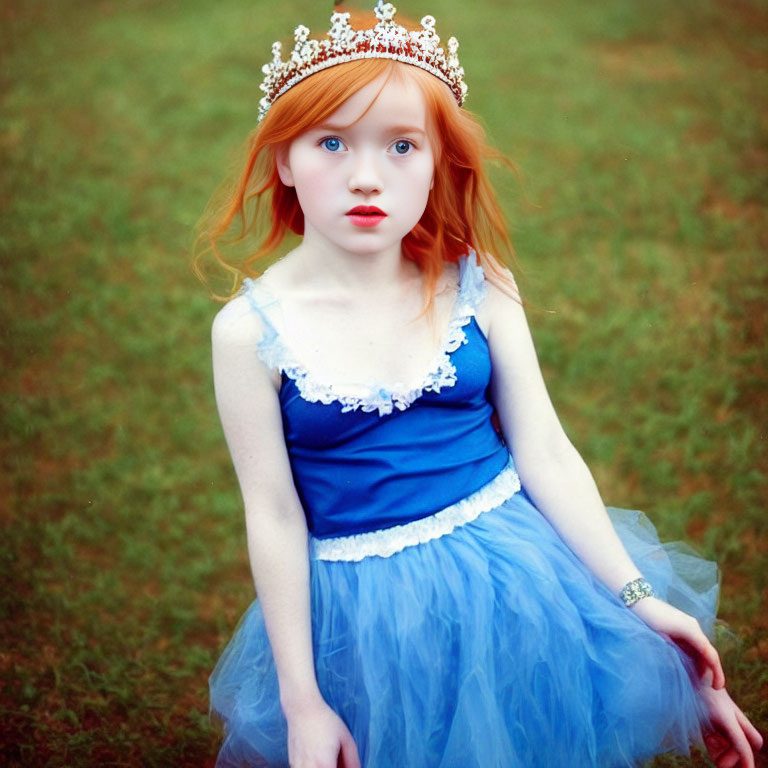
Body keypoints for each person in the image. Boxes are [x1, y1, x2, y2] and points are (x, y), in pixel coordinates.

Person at [198, 4, 763, 767]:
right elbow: (273, 515)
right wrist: (304, 699)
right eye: (331, 142)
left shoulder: (478, 284)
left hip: (520, 581)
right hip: (367, 619)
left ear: (438, 162)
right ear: (283, 160)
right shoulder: (250, 332)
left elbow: (547, 452)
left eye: (402, 145)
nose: (367, 176)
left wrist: (639, 598)